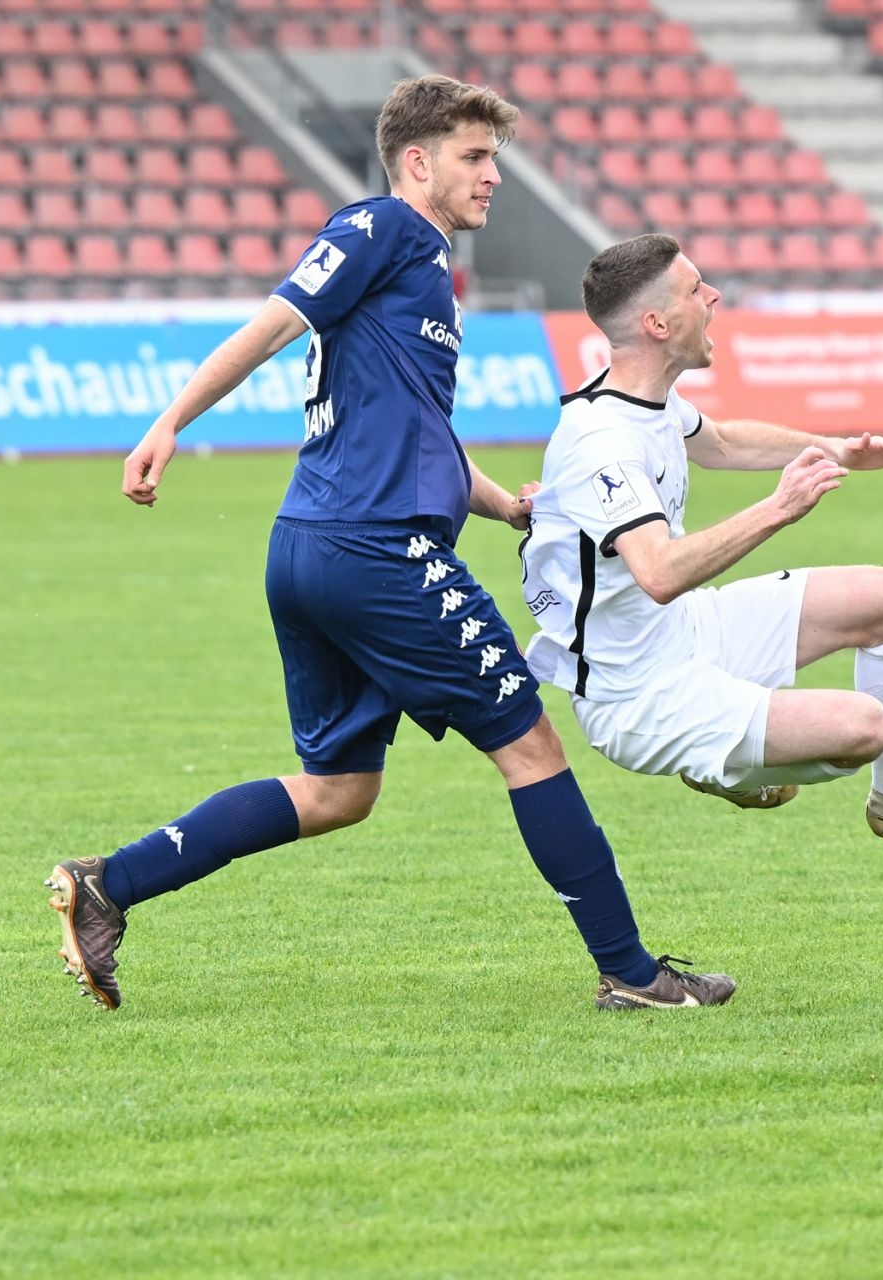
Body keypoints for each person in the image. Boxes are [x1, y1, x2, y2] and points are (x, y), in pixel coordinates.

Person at [47, 76, 732, 1015]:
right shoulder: (385, 228)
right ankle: (632, 974)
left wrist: (503, 507)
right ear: (417, 162)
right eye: (474, 156)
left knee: (339, 790)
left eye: (494, 157)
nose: (493, 175)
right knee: (530, 745)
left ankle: (108, 885)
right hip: (377, 553)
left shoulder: (420, 270)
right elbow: (274, 323)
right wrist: (170, 422)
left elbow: (419, 429)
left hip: (313, 548)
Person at [518, 233, 883, 839]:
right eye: (695, 289)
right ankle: (725, 765)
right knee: (864, 727)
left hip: (686, 630)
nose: (713, 295)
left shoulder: (645, 398)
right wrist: (778, 509)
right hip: (637, 694)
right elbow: (660, 573)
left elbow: (722, 443)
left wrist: (838, 450)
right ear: (657, 323)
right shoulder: (603, 443)